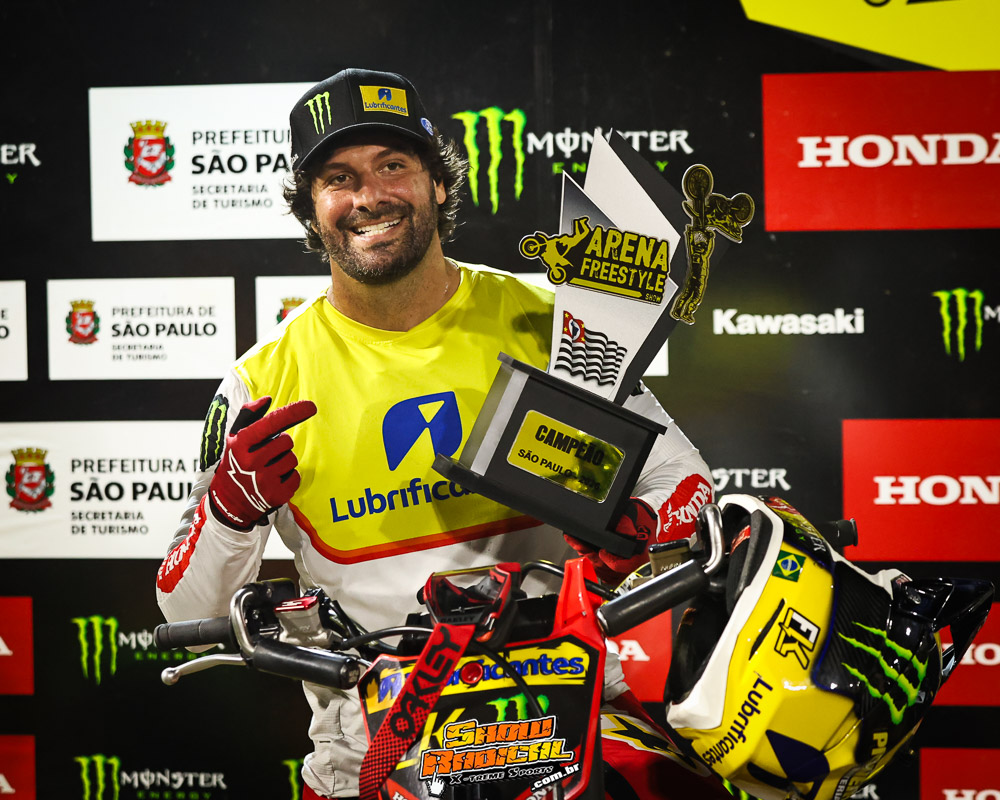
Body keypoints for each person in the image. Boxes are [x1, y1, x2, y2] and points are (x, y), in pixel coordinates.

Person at [156, 67, 716, 800]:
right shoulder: (262, 383)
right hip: (376, 757)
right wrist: (228, 511)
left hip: (568, 730)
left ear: (438, 184)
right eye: (338, 177)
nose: (368, 196)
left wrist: (638, 528)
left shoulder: (551, 322)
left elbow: (686, 483)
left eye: (394, 165)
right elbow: (185, 612)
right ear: (312, 209)